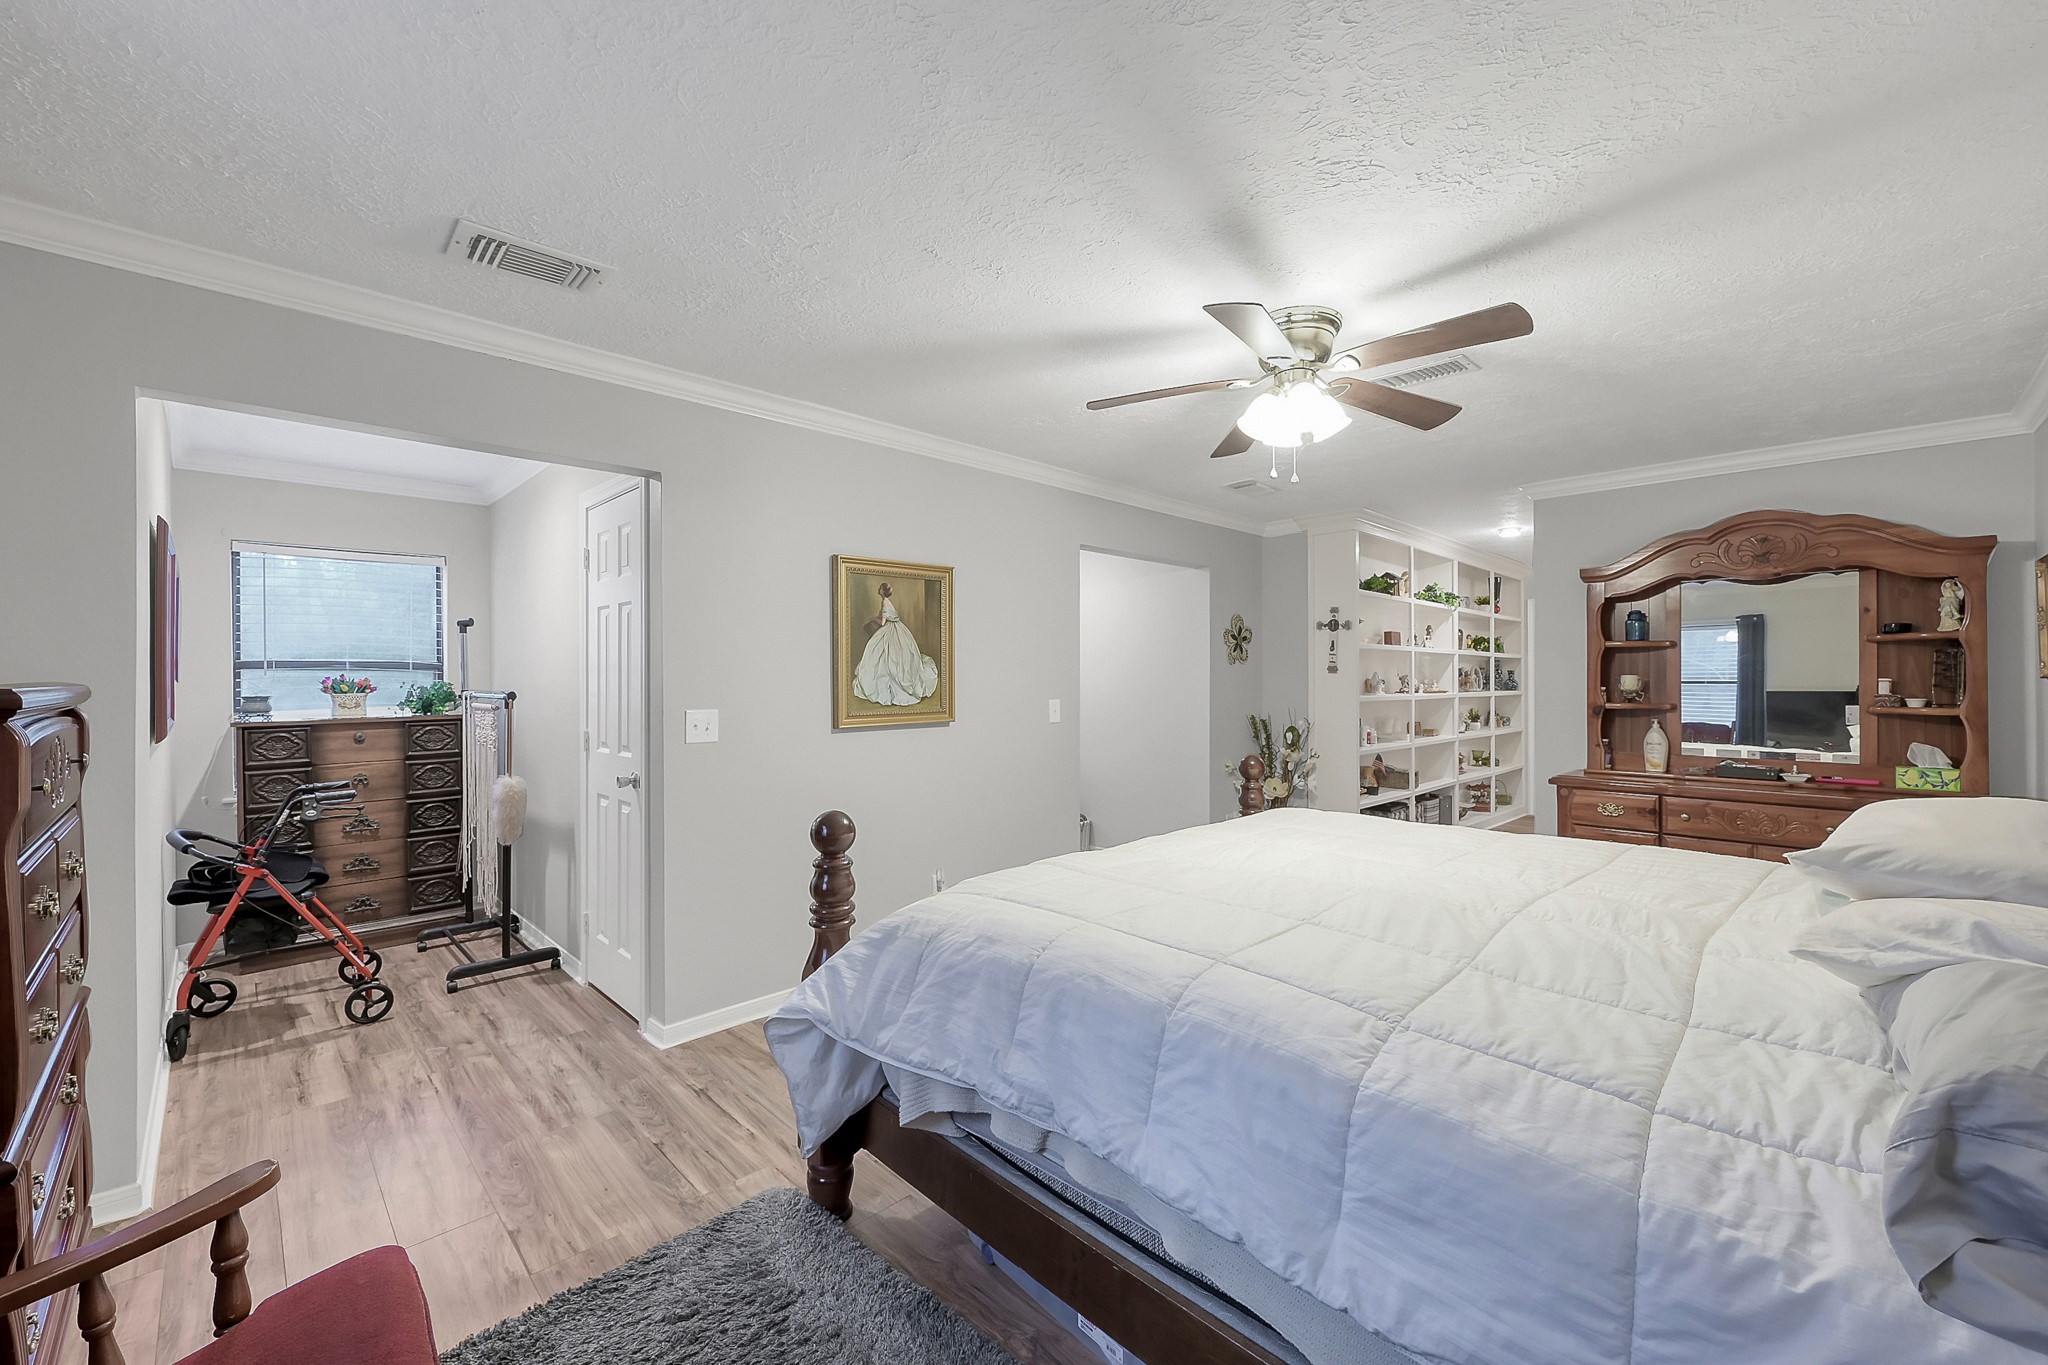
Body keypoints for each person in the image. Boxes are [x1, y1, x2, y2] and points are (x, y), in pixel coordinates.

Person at [852, 583, 938, 706]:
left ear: (882, 591)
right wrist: (874, 618)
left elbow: (883, 623)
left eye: (880, 588)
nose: (878, 589)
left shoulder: (885, 602)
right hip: (896, 628)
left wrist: (871, 620)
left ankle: (891, 685)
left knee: (886, 655)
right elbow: (885, 616)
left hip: (891, 630)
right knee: (886, 656)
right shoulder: (887, 602)